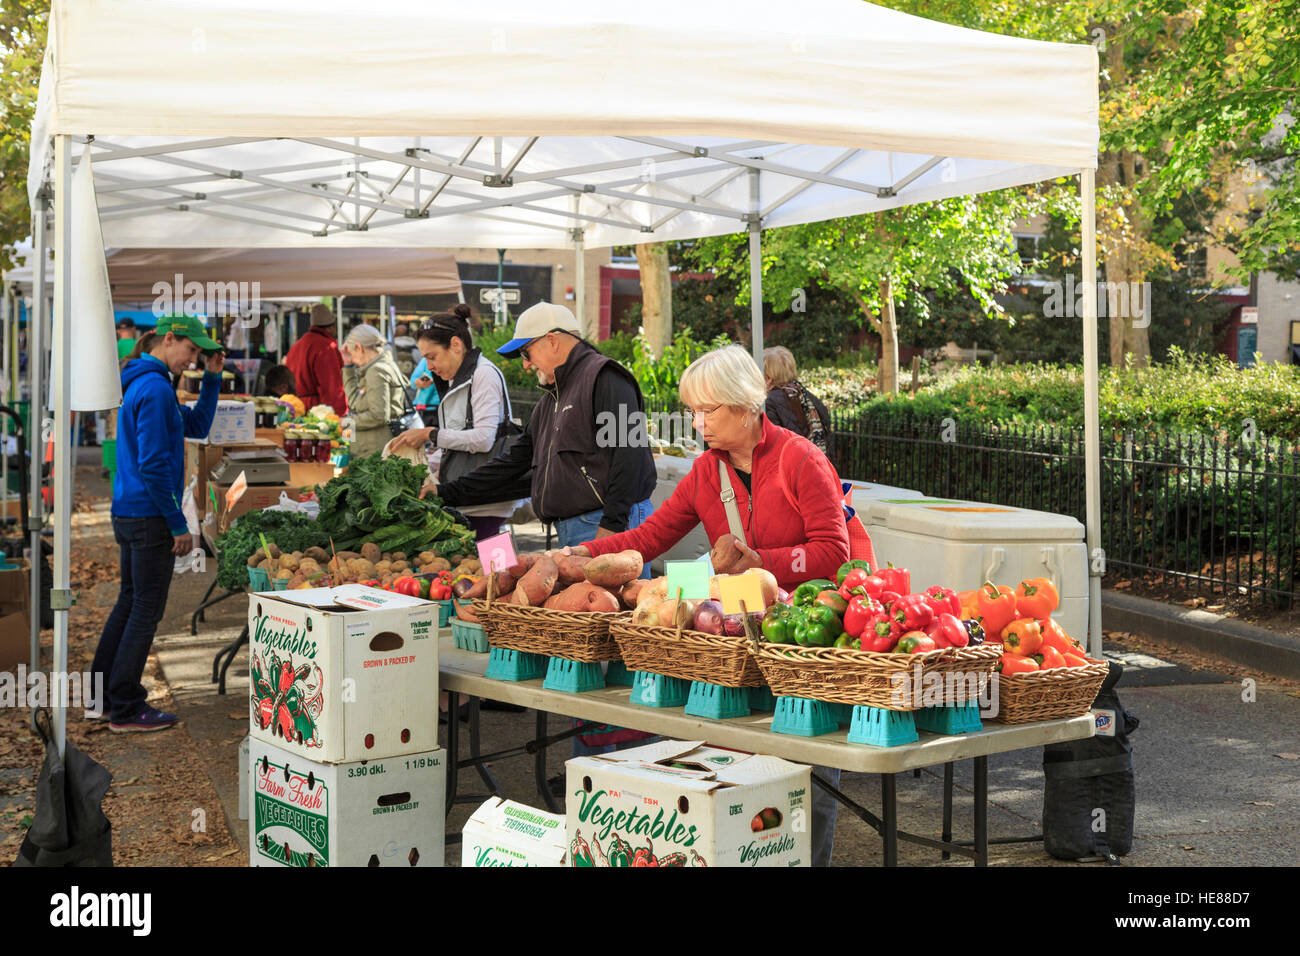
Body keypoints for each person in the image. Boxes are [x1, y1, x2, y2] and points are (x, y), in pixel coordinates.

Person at [557, 343, 850, 866]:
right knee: (742, 755)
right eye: (693, 410)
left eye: (707, 410)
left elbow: (834, 552)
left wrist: (760, 559)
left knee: (807, 759)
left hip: (805, 628)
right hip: (738, 629)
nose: (696, 423)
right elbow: (649, 538)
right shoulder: (705, 472)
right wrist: (581, 554)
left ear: (744, 405)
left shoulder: (802, 459)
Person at [427, 301, 657, 550]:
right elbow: (513, 461)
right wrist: (445, 492)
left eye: (526, 353)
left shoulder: (607, 378)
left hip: (605, 527)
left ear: (552, 340)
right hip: (579, 528)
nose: (526, 364)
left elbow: (630, 457)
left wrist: (611, 527)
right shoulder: (550, 400)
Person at [90, 315, 224, 732]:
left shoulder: (148, 382)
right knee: (145, 609)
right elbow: (152, 464)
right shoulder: (155, 387)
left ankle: (104, 699)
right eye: (191, 351)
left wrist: (213, 380)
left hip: (130, 509)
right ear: (168, 339)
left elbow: (197, 427)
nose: (193, 360)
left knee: (130, 603)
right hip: (147, 514)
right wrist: (176, 523)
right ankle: (126, 706)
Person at [389, 305, 516, 540]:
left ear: (456, 345)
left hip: (486, 501)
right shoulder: (457, 379)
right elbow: (458, 440)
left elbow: (483, 438)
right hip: (468, 497)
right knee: (476, 572)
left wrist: (430, 434)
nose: (428, 366)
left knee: (491, 571)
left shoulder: (483, 375)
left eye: (432, 356)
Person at [341, 323, 409, 460]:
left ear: (359, 348)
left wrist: (345, 422)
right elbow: (356, 403)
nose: (353, 359)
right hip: (374, 447)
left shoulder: (375, 371)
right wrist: (348, 366)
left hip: (372, 450)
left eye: (352, 353)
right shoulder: (386, 364)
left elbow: (378, 415)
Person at [763, 345, 834, 459]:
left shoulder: (768, 402)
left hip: (792, 470)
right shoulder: (809, 398)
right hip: (818, 466)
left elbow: (771, 448)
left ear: (769, 378)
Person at [284, 303, 346, 414]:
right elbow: (332, 388)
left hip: (296, 408)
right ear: (331, 326)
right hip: (318, 411)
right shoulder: (326, 347)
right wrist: (338, 414)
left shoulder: (296, 346)